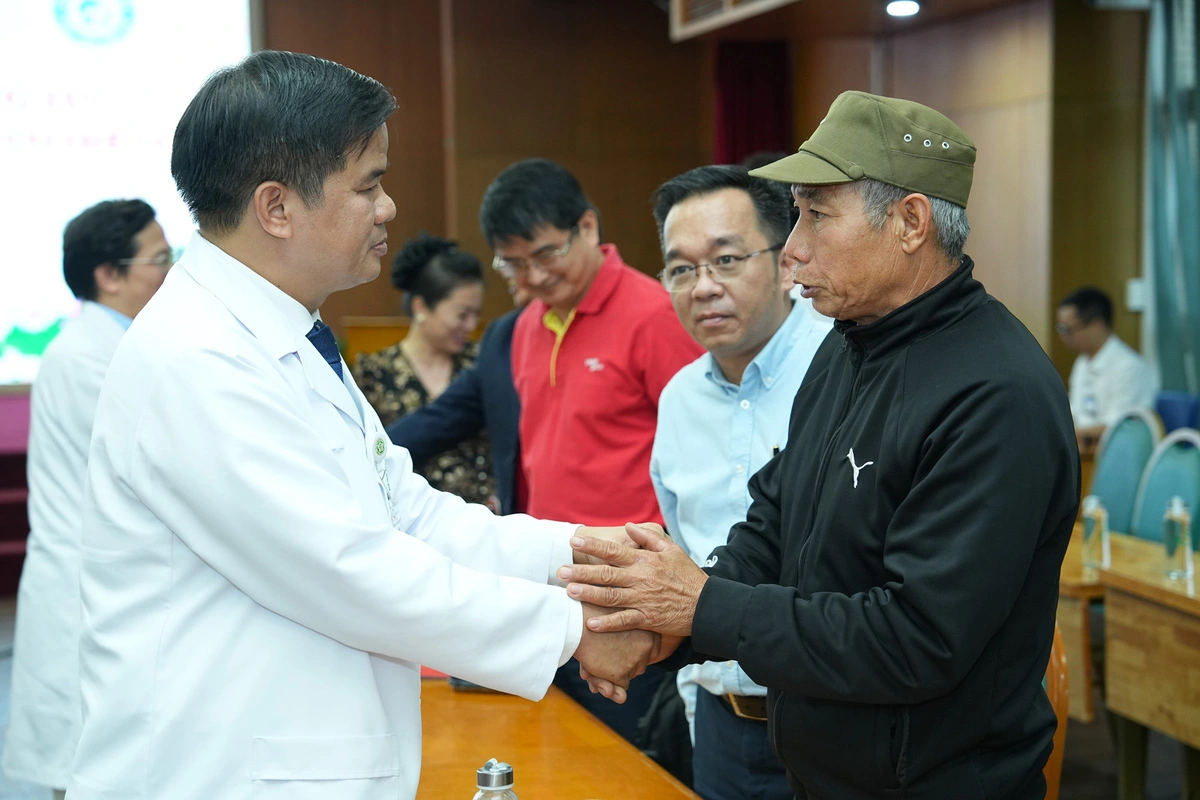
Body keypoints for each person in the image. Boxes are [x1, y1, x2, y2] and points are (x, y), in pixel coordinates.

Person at [68, 51, 660, 800]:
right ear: (276, 207)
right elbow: (347, 570)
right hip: (215, 772)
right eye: (368, 184)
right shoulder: (196, 357)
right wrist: (574, 633)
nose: (387, 208)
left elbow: (406, 513)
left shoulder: (288, 334)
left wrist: (578, 549)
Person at [564, 91, 1079, 800]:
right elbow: (777, 517)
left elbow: (914, 639)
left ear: (909, 222)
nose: (794, 247)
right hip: (823, 768)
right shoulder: (848, 348)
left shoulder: (995, 393)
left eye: (816, 214)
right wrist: (663, 621)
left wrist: (702, 606)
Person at [480, 158, 703, 742]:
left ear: (587, 227)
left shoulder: (654, 314)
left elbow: (701, 451)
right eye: (514, 264)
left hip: (628, 593)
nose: (534, 277)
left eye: (546, 254)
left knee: (630, 761)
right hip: (550, 583)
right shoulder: (526, 325)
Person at [649, 165, 831, 800]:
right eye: (680, 269)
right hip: (720, 724)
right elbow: (689, 568)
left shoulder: (844, 371)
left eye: (726, 260)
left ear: (785, 265)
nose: (703, 287)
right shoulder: (677, 402)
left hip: (829, 716)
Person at [2, 199, 170, 800]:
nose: (170, 271)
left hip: (110, 592)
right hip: (85, 597)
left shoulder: (118, 346)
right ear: (109, 274)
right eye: (159, 259)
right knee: (89, 774)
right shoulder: (88, 357)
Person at [353, 233, 497, 506]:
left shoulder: (481, 361)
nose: (470, 325)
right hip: (409, 520)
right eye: (462, 314)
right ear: (421, 306)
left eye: (476, 314)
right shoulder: (373, 373)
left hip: (486, 520)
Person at [387, 279, 530, 515]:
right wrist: (368, 457)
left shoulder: (476, 351)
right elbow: (444, 416)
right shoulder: (503, 336)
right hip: (510, 519)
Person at [1057, 286, 1156, 455]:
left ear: (1097, 325)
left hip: (1117, 455)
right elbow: (1074, 414)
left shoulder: (1129, 367)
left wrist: (1067, 436)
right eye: (1060, 329)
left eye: (1068, 330)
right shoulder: (1082, 363)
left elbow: (1117, 427)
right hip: (1085, 447)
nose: (1063, 337)